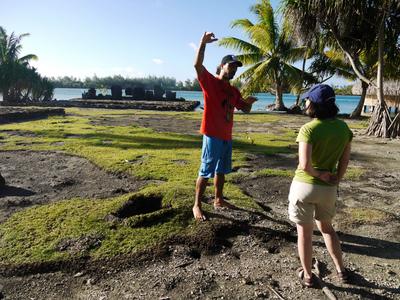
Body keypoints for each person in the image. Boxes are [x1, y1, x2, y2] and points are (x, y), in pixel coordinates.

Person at [288, 84, 353, 287]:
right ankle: (341, 271)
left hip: (304, 186)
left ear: (314, 104)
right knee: (327, 229)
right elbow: (344, 161)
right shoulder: (343, 128)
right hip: (328, 191)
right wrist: (336, 179)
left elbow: (304, 165)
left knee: (304, 233)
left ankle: (308, 276)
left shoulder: (309, 128)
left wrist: (319, 175)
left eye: (307, 100)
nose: (305, 103)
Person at [192, 31, 257, 221]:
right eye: (231, 65)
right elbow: (197, 65)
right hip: (212, 134)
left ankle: (218, 199)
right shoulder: (210, 82)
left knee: (221, 170)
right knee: (206, 170)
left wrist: (250, 102)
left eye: (236, 67)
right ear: (222, 66)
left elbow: (244, 109)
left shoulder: (233, 91)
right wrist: (202, 43)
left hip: (226, 136)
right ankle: (197, 205)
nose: (234, 69)